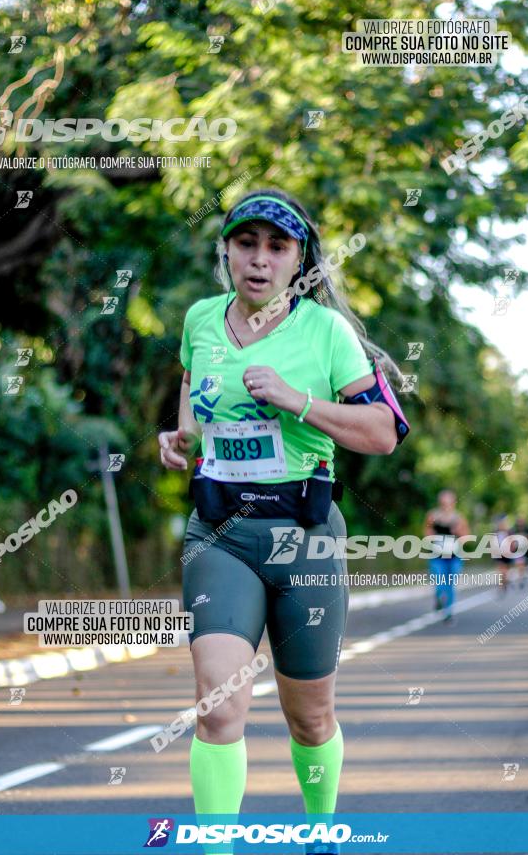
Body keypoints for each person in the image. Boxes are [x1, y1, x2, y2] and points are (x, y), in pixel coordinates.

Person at [158, 188, 410, 855]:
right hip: (219, 535)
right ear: (227, 252)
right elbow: (192, 383)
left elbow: (383, 432)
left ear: (300, 261)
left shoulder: (326, 333)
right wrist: (181, 435)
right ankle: (217, 849)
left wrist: (298, 401)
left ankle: (319, 835)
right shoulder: (201, 319)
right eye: (246, 244)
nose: (260, 260)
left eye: (277, 247)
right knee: (218, 703)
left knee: (310, 717)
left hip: (303, 537)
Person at [424, 490, 469, 622]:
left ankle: (448, 612)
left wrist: (459, 536)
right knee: (439, 581)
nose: (446, 505)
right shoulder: (432, 516)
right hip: (437, 555)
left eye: (448, 503)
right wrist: (432, 537)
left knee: (450, 583)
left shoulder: (459, 518)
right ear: (440, 503)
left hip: (454, 556)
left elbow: (466, 536)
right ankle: (439, 597)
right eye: (443, 503)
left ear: (453, 503)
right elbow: (427, 531)